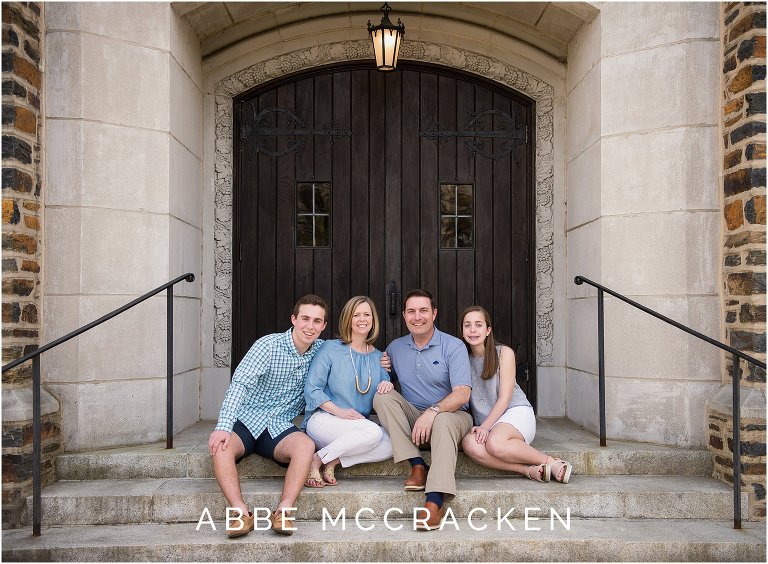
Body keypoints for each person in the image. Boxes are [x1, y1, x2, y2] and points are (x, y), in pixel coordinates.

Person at [208, 295, 328, 538]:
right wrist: (223, 426)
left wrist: (380, 361)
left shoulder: (323, 351)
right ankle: (240, 513)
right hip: (246, 420)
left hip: (279, 427)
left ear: (323, 326)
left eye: (317, 321)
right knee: (222, 447)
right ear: (294, 319)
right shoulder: (268, 345)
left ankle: (284, 511)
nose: (310, 326)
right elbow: (240, 384)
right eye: (305, 318)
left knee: (305, 445)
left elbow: (352, 354)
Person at [373, 289, 473, 531]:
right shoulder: (396, 348)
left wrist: (433, 411)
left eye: (423, 311)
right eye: (411, 311)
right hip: (414, 416)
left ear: (434, 313)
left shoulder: (453, 345)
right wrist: (383, 371)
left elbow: (462, 393)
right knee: (382, 397)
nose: (417, 317)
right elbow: (388, 378)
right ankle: (417, 464)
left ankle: (435, 500)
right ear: (405, 316)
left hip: (453, 416)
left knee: (443, 421)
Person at [460, 306, 573, 484]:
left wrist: (485, 427)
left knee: (495, 443)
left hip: (515, 412)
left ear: (488, 330)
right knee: (468, 443)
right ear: (462, 331)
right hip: (489, 423)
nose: (473, 330)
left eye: (478, 325)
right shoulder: (461, 360)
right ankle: (528, 470)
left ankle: (550, 461)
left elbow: (505, 398)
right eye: (467, 325)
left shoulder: (504, 353)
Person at [302, 296, 394, 487]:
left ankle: (332, 460)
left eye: (367, 314)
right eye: (356, 315)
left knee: (393, 444)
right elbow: (312, 389)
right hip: (324, 419)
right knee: (373, 433)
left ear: (373, 319)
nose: (362, 319)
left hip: (357, 427)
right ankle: (316, 460)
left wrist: (389, 385)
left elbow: (385, 389)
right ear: (348, 319)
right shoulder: (330, 348)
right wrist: (339, 412)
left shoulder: (379, 357)